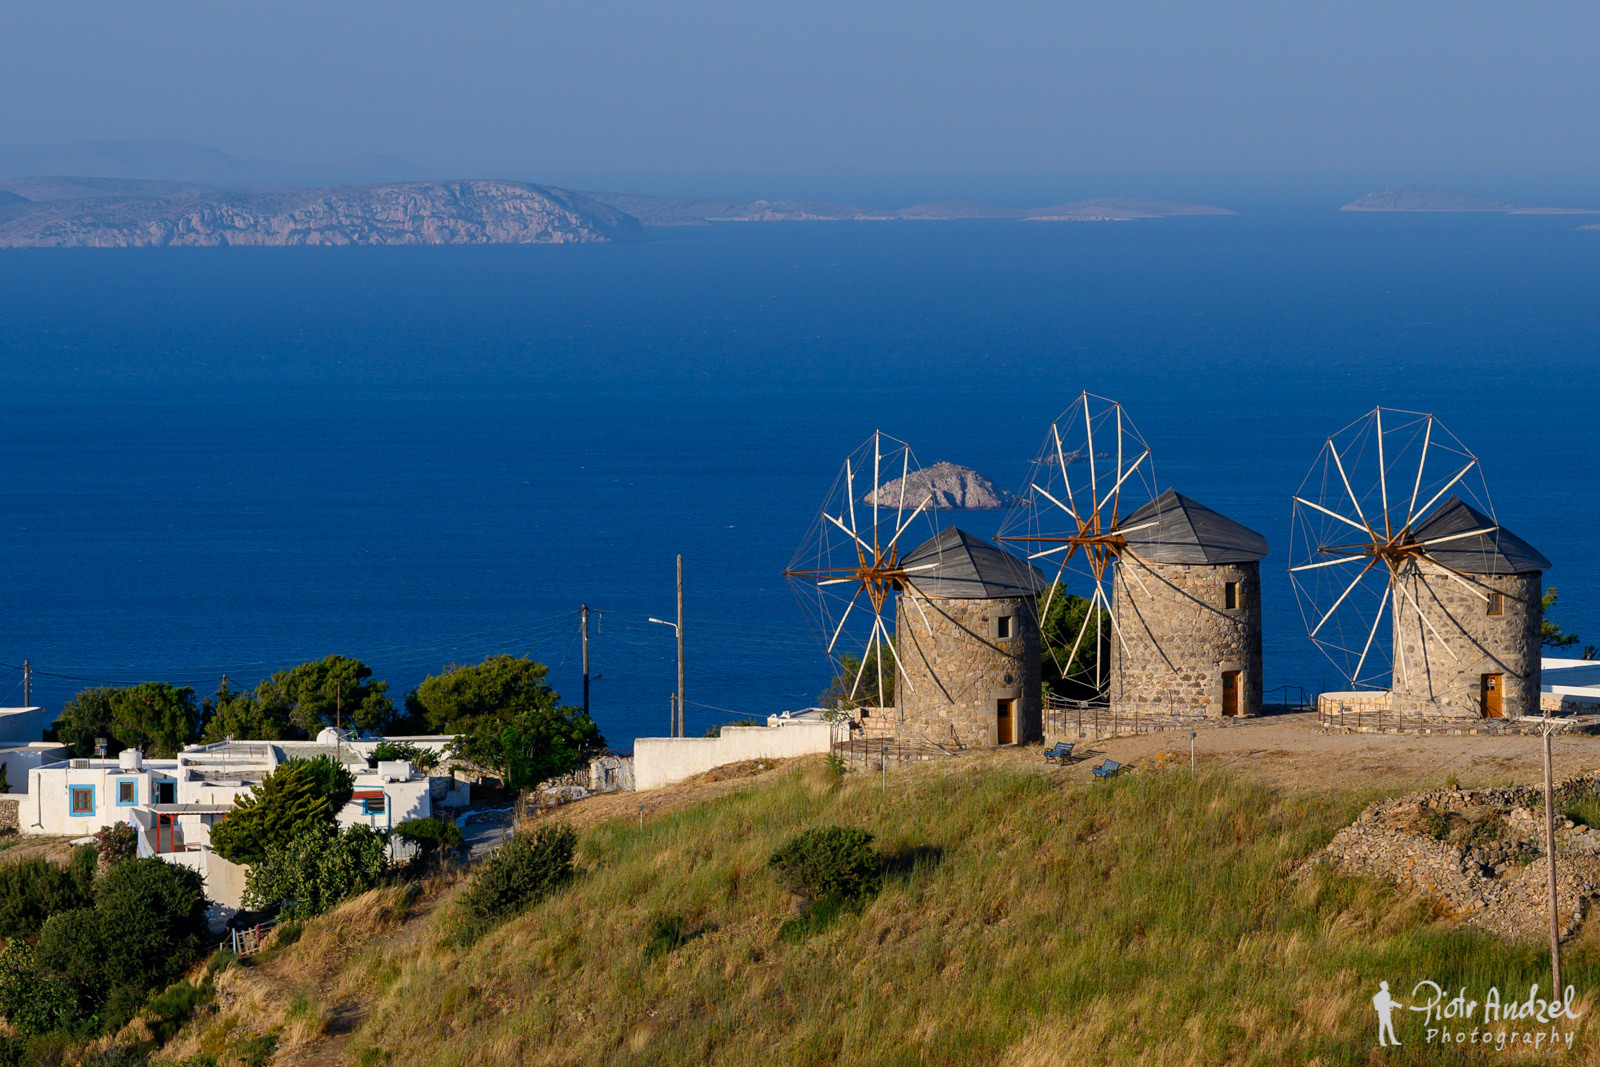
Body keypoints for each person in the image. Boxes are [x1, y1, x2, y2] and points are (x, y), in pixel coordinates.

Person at [1373, 981, 1401, 1046]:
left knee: (1389, 1026)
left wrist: (1391, 1006)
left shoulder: (1387, 994)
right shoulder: (1382, 995)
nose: (1387, 986)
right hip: (1383, 1012)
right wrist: (1392, 1004)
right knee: (1383, 1027)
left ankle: (1392, 1040)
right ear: (1384, 986)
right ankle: (1382, 1041)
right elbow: (1384, 1004)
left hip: (1386, 1012)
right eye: (1386, 985)